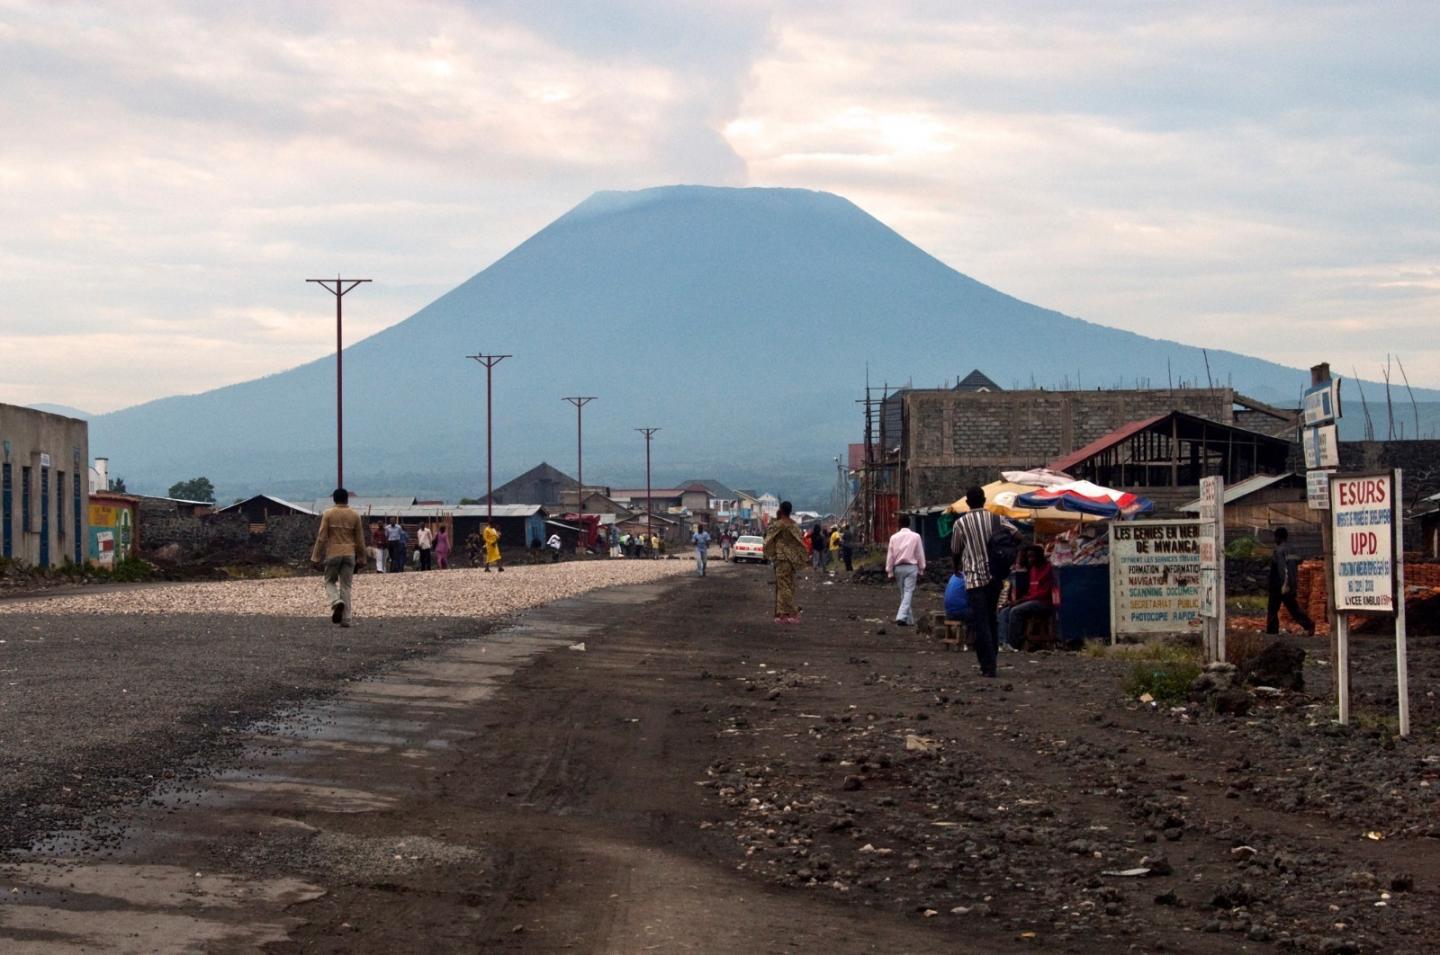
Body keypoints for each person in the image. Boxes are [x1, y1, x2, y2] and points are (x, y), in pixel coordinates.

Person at [951, 486, 1021, 677]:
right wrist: (1007, 553)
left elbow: (956, 550)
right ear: (984, 500)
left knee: (980, 621)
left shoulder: (961, 523)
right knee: (991, 618)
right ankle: (992, 661)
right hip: (994, 576)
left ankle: (988, 665)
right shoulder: (997, 519)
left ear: (967, 503)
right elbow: (1018, 534)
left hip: (974, 578)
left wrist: (956, 567)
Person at [310, 488, 368, 627]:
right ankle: (346, 619)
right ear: (347, 499)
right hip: (350, 554)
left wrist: (315, 557)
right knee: (346, 586)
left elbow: (322, 537)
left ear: (334, 499)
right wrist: (362, 558)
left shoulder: (328, 514)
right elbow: (360, 539)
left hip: (333, 552)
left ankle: (336, 601)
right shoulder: (355, 515)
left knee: (329, 581)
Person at [999, 545, 1056, 651]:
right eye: (1029, 557)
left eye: (1033, 557)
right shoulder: (1033, 570)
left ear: (1039, 556)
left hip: (1043, 603)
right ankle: (1003, 643)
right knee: (1004, 611)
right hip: (1031, 600)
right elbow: (1031, 592)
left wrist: (1020, 601)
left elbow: (1042, 594)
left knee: (1015, 611)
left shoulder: (1048, 569)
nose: (1030, 559)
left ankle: (1014, 644)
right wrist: (1016, 601)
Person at [763, 501, 808, 623]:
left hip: (782, 558)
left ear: (781, 510)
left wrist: (776, 519)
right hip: (792, 559)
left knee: (783, 586)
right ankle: (782, 614)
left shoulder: (779, 524)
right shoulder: (795, 525)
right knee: (788, 585)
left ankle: (793, 612)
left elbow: (767, 535)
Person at [1266, 526, 1314, 635]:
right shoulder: (1292, 550)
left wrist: (1284, 584)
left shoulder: (1279, 551)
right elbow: (1298, 562)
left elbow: (1282, 569)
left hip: (1279, 586)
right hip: (1291, 584)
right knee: (1293, 609)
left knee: (1273, 609)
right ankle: (1308, 624)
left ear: (1278, 537)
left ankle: (1271, 631)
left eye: (1275, 537)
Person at [885, 516, 926, 626]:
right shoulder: (916, 537)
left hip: (898, 568)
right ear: (909, 524)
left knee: (904, 594)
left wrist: (889, 571)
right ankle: (901, 617)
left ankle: (908, 620)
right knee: (908, 592)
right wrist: (922, 568)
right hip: (911, 567)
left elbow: (890, 556)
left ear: (899, 524)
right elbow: (919, 554)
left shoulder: (894, 537)